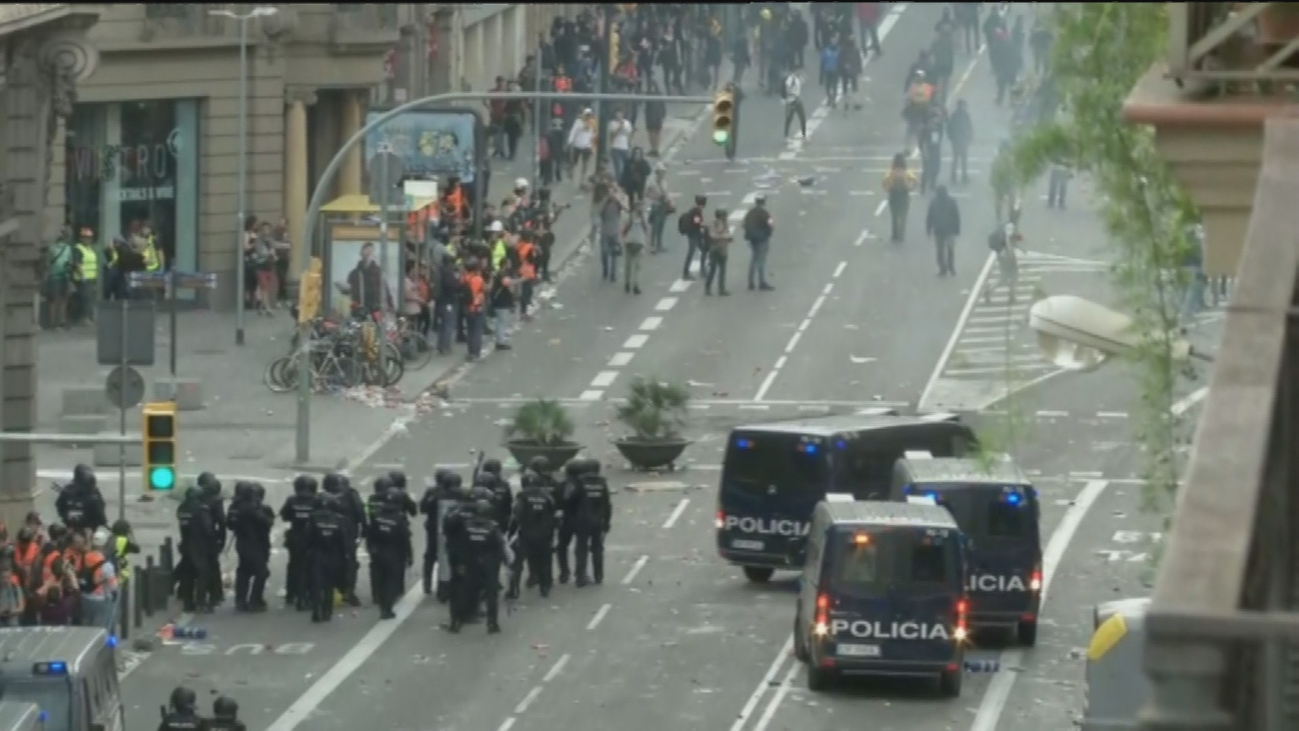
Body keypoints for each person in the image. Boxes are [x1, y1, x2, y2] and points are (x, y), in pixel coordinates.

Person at [506, 473, 556, 600]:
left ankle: (513, 589)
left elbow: (516, 515)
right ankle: (545, 587)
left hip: (526, 534)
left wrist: (511, 532)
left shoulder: (522, 496)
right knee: (544, 561)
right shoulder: (547, 496)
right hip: (544, 534)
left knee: (517, 563)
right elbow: (553, 515)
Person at [228, 482, 273, 612]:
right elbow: (264, 523)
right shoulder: (251, 508)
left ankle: (240, 600)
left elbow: (230, 524)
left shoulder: (234, 507)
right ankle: (255, 600)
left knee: (244, 570)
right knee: (262, 572)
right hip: (254, 543)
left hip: (242, 542)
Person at [465, 500, 508, 633]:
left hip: (471, 560)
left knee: (471, 588)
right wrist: (505, 561)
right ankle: (492, 622)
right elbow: (499, 546)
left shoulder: (467, 525)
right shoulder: (492, 527)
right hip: (489, 562)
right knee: (491, 593)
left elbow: (462, 544)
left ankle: (471, 614)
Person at [367, 487, 411, 620]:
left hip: (378, 553)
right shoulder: (400, 518)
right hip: (394, 554)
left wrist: (371, 549)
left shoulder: (376, 515)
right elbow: (404, 539)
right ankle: (387, 608)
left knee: (380, 581)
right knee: (392, 582)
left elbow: (369, 534)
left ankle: (383, 607)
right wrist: (409, 555)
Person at [307, 493, 347, 623]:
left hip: (317, 554)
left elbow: (307, 537)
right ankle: (327, 612)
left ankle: (316, 611)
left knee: (316, 584)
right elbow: (343, 541)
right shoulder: (339, 519)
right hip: (333, 556)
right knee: (329, 585)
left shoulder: (313, 518)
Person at [571, 460, 612, 586]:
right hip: (598, 520)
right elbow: (607, 504)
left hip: (582, 520)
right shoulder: (602, 482)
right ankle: (598, 575)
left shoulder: (580, 482)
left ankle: (580, 575)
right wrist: (607, 522)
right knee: (597, 548)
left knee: (581, 548)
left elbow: (572, 499)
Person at [279, 476, 317, 610]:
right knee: (311, 568)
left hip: (295, 538)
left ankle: (291, 594)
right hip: (313, 539)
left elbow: (284, 516)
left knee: (294, 567)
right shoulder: (316, 500)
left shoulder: (292, 500)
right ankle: (308, 595)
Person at [175, 487, 215, 613]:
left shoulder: (182, 509)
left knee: (187, 576)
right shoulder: (201, 509)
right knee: (202, 574)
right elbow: (208, 528)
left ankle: (188, 603)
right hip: (199, 546)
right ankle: (201, 603)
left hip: (185, 545)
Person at [926, 185, 963, 277]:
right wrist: (957, 229)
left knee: (940, 251)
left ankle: (943, 269)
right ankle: (950, 267)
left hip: (939, 230)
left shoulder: (934, 202)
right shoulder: (951, 202)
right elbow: (956, 217)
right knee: (949, 250)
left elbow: (929, 216)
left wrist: (928, 228)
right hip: (949, 230)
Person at [882, 153, 918, 243]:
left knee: (894, 216)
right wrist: (911, 188)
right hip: (904, 196)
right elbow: (915, 181)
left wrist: (888, 189)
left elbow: (884, 182)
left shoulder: (891, 172)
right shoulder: (907, 172)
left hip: (893, 196)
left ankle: (895, 234)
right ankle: (901, 235)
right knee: (903, 216)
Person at [743, 196, 774, 291]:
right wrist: (769, 233)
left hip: (752, 239)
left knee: (753, 259)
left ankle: (751, 282)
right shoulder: (765, 213)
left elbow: (744, 225)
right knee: (761, 261)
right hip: (762, 238)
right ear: (763, 203)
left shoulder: (749, 213)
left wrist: (748, 235)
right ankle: (761, 282)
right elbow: (770, 224)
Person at [622, 200, 649, 295]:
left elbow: (624, 229)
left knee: (628, 265)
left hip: (629, 242)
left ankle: (627, 284)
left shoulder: (629, 217)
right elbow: (646, 229)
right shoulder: (644, 218)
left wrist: (624, 238)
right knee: (637, 267)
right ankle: (635, 285)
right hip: (639, 243)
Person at [704, 208, 732, 296]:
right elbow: (712, 235)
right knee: (713, 269)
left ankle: (722, 289)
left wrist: (728, 238)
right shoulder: (714, 224)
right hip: (714, 249)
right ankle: (707, 287)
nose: (725, 218)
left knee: (723, 270)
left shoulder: (725, 224)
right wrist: (724, 236)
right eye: (724, 216)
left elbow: (727, 234)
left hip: (723, 249)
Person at [782, 68, 807, 138]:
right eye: (799, 71)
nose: (800, 72)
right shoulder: (791, 79)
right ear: (795, 71)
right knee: (789, 118)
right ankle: (786, 135)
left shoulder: (798, 78)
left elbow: (802, 83)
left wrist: (802, 79)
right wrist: (792, 94)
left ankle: (804, 135)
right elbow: (787, 89)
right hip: (791, 101)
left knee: (802, 117)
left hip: (797, 100)